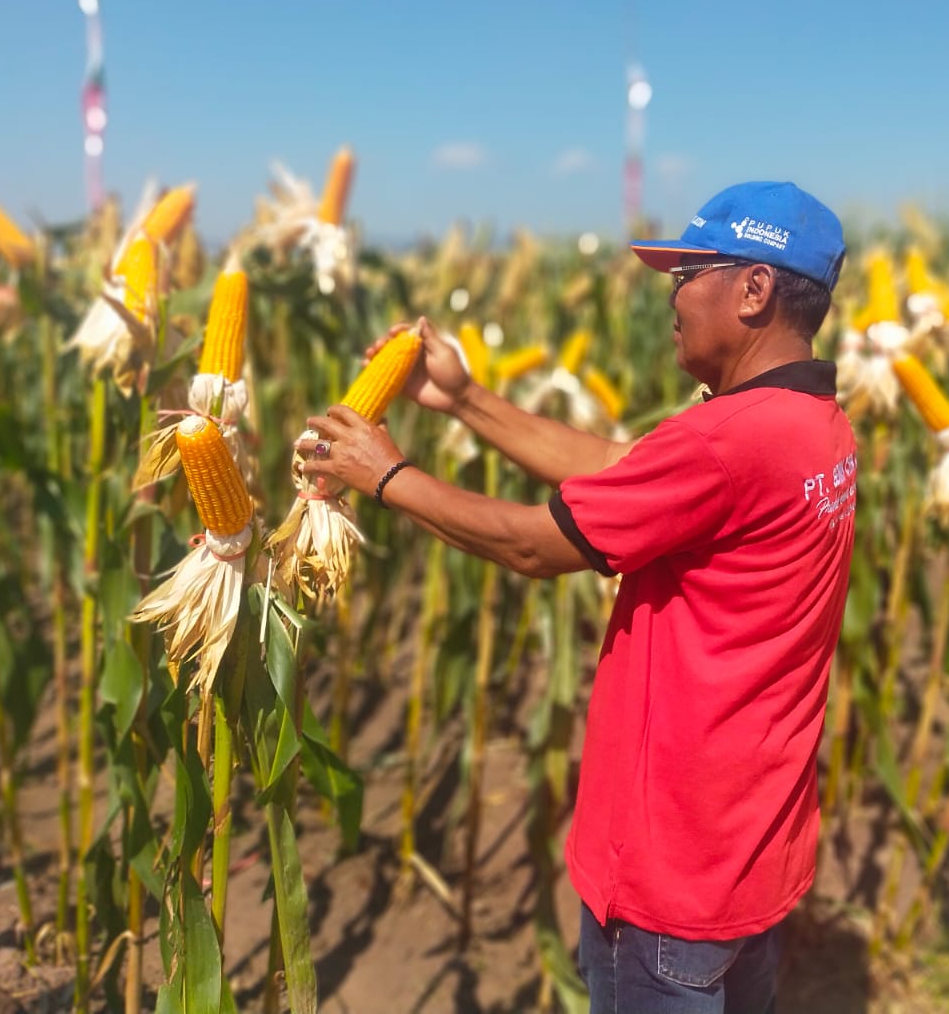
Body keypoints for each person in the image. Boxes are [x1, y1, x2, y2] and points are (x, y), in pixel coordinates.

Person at [302, 181, 858, 1013]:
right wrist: (462, 400)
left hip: (674, 869)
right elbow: (622, 468)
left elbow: (533, 545)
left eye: (688, 273)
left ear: (753, 290)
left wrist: (387, 477)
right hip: (750, 854)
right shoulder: (813, 424)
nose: (671, 298)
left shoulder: (726, 443)